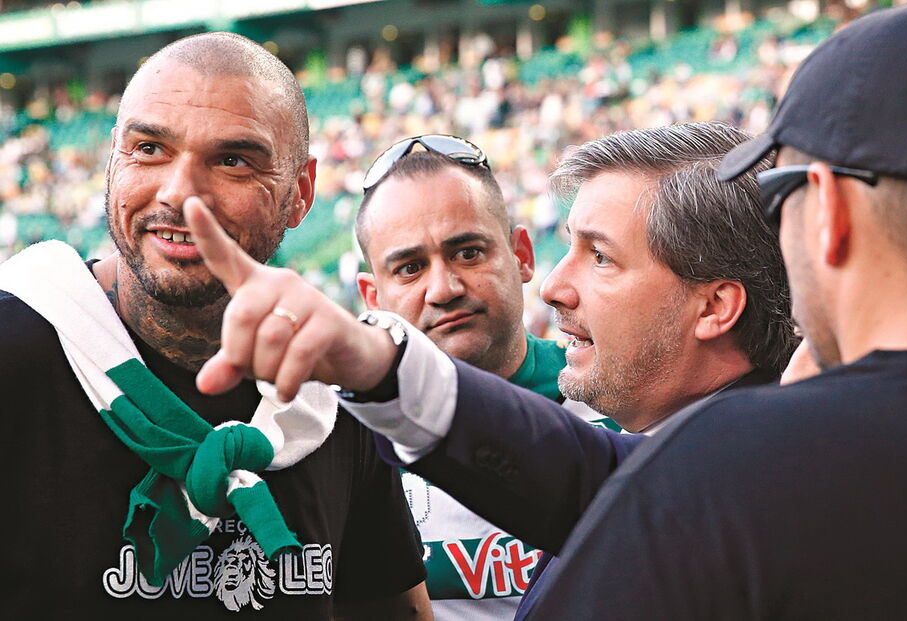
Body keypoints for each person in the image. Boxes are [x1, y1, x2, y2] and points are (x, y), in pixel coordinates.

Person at [179, 121, 796, 616]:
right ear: (371, 293)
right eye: (409, 268)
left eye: (601, 257)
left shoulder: (752, 480)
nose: (556, 287)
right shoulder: (333, 436)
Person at [0, 32, 429, 618]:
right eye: (149, 148)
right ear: (111, 162)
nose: (179, 195)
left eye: (232, 160)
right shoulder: (16, 349)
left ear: (300, 193)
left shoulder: (330, 390)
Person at [353, 135, 625, 620]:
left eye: (468, 253)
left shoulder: (620, 395)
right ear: (372, 295)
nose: (443, 288)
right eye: (410, 268)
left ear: (521, 254)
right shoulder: (345, 439)